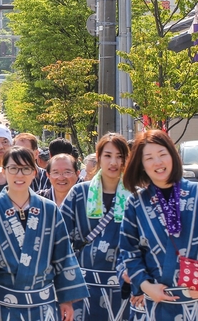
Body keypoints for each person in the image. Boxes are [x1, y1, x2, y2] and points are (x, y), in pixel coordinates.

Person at [0, 146, 88, 321]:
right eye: (13, 168)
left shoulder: (49, 209)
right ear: (4, 171)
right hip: (3, 306)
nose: (19, 175)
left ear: (35, 173)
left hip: (44, 305)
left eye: (26, 169)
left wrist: (66, 299)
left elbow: (63, 255)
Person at [119, 130, 198, 320]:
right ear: (141, 165)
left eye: (162, 154)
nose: (157, 162)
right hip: (158, 304)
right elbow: (128, 250)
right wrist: (145, 285)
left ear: (173, 156)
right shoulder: (135, 203)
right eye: (149, 158)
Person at [60, 133, 133, 321]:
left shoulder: (135, 196)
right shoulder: (79, 193)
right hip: (83, 287)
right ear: (98, 157)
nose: (113, 162)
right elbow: (60, 241)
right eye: (108, 155)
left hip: (124, 288)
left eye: (119, 156)